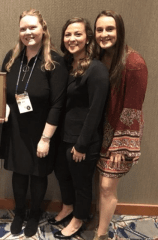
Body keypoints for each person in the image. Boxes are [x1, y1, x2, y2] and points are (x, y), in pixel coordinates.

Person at [0, 9, 68, 238]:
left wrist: (46, 139)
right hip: (16, 127)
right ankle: (19, 213)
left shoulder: (54, 62)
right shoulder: (12, 57)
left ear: (43, 28)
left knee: (38, 174)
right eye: (23, 28)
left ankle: (35, 213)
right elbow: (2, 94)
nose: (28, 32)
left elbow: (58, 104)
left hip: (42, 130)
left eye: (32, 27)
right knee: (19, 173)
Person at [49, 17, 110, 239]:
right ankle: (68, 207)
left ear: (87, 38)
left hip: (82, 139)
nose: (72, 39)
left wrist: (82, 144)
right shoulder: (66, 65)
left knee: (81, 183)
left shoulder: (97, 69)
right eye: (68, 34)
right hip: (63, 135)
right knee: (61, 173)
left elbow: (96, 110)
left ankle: (79, 219)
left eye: (77, 34)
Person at [93, 10, 148, 240]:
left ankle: (101, 235)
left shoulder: (134, 63)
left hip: (118, 135)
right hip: (98, 130)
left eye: (110, 29)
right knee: (99, 181)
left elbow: (133, 108)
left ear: (120, 30)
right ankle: (99, 222)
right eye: (99, 29)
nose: (104, 34)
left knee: (107, 186)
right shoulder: (98, 58)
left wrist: (120, 145)